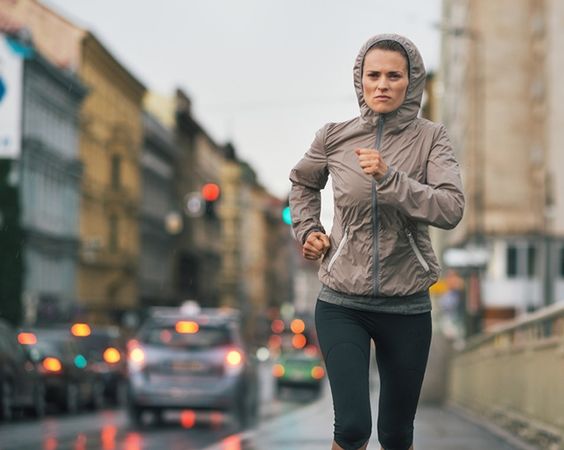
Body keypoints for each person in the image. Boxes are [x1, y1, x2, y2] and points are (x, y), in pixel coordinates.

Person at [288, 34, 464, 450]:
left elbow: (450, 207)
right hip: (341, 301)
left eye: (393, 75)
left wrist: (391, 180)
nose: (382, 84)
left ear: (411, 81)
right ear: (360, 81)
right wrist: (308, 230)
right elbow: (302, 183)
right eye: (373, 75)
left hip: (407, 306)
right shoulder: (334, 137)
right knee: (350, 428)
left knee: (395, 435)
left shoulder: (431, 139)